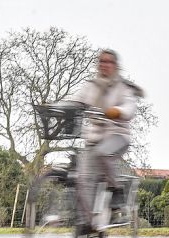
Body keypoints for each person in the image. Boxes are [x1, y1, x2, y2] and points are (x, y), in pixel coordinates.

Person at [61, 49, 143, 228]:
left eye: (109, 62)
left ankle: (117, 193)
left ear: (115, 66)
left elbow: (129, 107)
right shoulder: (91, 86)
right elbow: (75, 101)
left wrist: (117, 111)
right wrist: (57, 107)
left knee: (102, 154)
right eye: (101, 61)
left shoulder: (123, 87)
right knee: (83, 180)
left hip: (117, 135)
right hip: (94, 138)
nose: (104, 65)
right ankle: (88, 223)